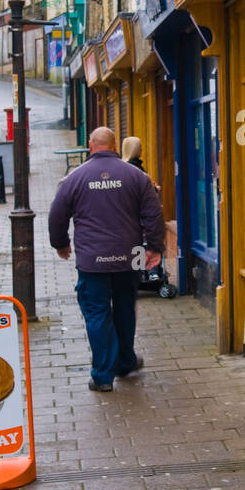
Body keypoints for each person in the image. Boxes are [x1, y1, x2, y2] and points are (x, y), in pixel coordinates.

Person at [48, 127, 165, 392]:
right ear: (115, 145)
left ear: (90, 145)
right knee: (125, 306)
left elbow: (57, 215)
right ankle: (124, 361)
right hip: (131, 254)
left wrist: (61, 244)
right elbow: (153, 214)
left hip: (92, 258)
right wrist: (153, 247)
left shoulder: (74, 178)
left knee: (98, 312)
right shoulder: (137, 176)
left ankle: (103, 376)